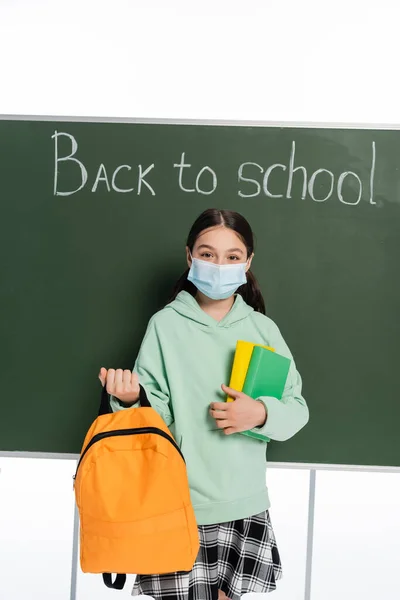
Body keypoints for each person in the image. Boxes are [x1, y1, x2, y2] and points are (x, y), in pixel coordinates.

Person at [99, 208, 309, 600]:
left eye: (232, 257)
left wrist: (260, 413)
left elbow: (296, 407)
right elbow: (153, 421)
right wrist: (129, 399)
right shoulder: (166, 325)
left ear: (247, 263)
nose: (219, 265)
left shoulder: (263, 329)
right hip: (177, 501)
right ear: (189, 256)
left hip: (242, 501)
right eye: (207, 253)